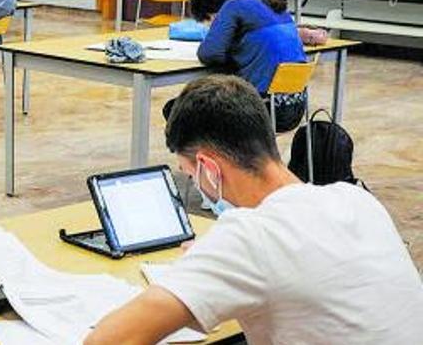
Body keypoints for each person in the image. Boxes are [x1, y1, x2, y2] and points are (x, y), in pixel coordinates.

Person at [85, 75, 423, 345]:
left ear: (209, 168)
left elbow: (108, 340)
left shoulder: (249, 236)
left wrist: (216, 259)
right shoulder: (356, 200)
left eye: (189, 174)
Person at [162, 0, 307, 132]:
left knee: (176, 109)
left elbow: (209, 54)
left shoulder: (231, 7)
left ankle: (222, 153)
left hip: (261, 111)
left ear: (213, 15)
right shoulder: (270, 2)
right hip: (295, 107)